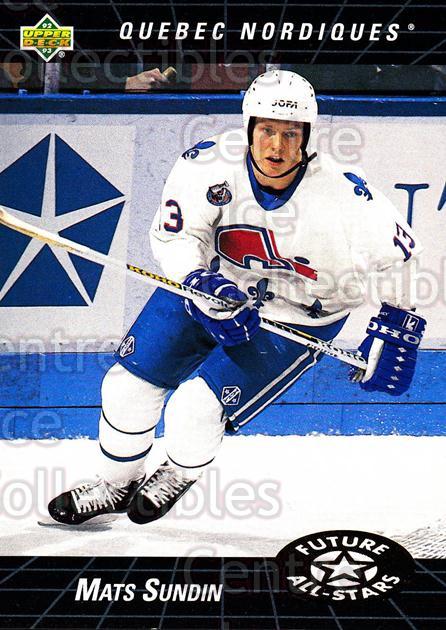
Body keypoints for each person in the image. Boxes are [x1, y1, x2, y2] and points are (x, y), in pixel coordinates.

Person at [47, 70, 426, 526]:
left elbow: (402, 257)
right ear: (248, 128)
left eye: (291, 134)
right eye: (267, 130)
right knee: (125, 387)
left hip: (297, 315)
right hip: (212, 285)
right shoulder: (206, 165)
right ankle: (115, 483)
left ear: (307, 136)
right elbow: (177, 235)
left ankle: (178, 472)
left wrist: (397, 329)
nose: (277, 146)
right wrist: (197, 281)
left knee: (194, 410)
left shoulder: (345, 193)